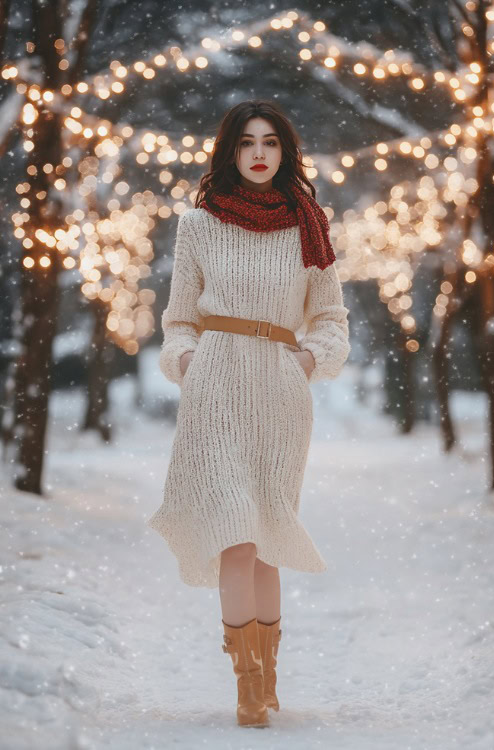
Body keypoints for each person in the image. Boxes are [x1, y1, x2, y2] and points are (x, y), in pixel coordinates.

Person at [147, 100, 351, 728]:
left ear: (285, 151)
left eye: (270, 142)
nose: (259, 153)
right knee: (234, 535)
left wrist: (310, 362)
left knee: (264, 540)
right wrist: (185, 361)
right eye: (246, 142)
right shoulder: (199, 224)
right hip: (215, 386)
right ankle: (247, 681)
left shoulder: (308, 224)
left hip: (281, 391)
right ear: (229, 152)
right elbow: (178, 317)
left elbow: (331, 320)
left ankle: (269, 675)